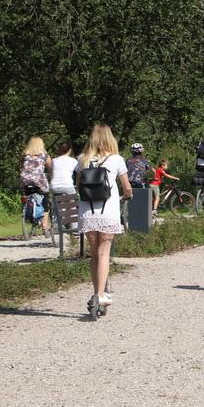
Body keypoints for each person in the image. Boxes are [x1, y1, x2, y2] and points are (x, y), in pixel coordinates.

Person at [75, 124, 131, 318]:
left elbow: (78, 185)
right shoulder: (116, 159)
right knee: (104, 254)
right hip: (108, 212)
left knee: (94, 254)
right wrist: (127, 195)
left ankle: (96, 292)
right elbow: (127, 187)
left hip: (87, 212)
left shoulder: (82, 159)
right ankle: (100, 295)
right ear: (110, 138)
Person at [20, 136, 53, 234]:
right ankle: (44, 226)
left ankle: (27, 212)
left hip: (25, 181)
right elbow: (50, 168)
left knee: (27, 196)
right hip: (39, 181)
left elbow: (22, 166)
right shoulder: (44, 155)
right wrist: (50, 176)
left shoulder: (25, 154)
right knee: (45, 199)